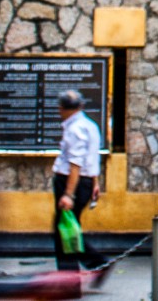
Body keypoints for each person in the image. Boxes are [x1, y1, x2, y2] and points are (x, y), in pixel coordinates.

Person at [51, 90, 109, 291]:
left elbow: (75, 163)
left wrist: (68, 194)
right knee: (68, 229)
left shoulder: (75, 128)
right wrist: (95, 183)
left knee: (64, 232)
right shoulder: (90, 125)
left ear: (63, 109)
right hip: (84, 182)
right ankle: (96, 265)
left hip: (71, 183)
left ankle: (72, 281)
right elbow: (92, 158)